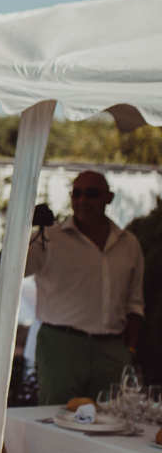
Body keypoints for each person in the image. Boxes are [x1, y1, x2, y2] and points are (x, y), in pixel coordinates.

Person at [24, 171, 144, 405]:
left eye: (91, 193)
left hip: (112, 350)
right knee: (53, 417)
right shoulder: (48, 238)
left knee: (110, 421)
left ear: (109, 198)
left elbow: (135, 304)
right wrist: (22, 228)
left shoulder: (129, 243)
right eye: (76, 194)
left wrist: (128, 350)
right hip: (62, 346)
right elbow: (6, 269)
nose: (82, 200)